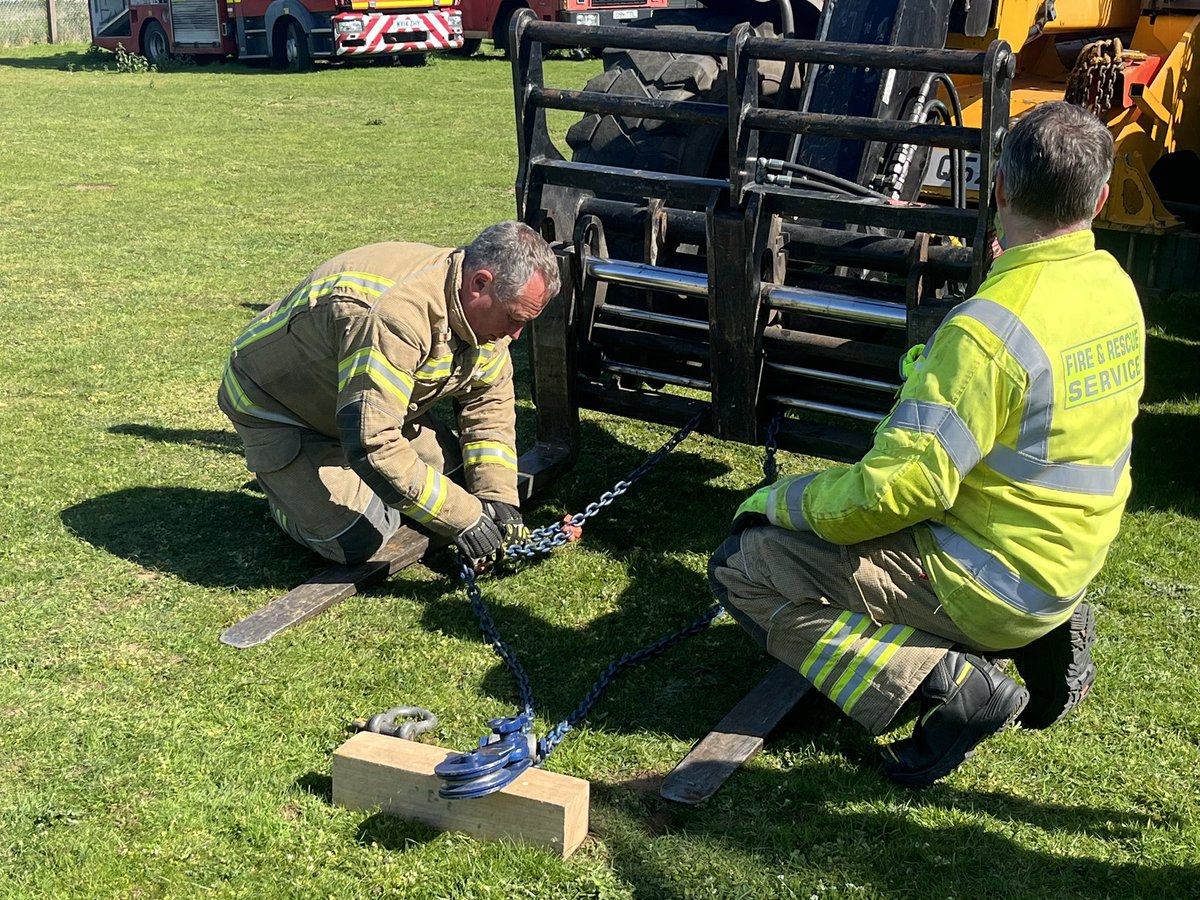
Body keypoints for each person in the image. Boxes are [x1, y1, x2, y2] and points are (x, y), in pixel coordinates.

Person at [709, 101, 1145, 787]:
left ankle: (953, 683)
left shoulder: (987, 332)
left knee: (744, 565)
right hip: (1067, 563)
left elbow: (897, 491)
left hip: (985, 581)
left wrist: (786, 500)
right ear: (1099, 196)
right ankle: (1047, 628)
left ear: (999, 188)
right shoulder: (1113, 290)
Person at [218, 220, 560, 570]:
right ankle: (286, 500)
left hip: (361, 407)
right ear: (480, 283)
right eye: (513, 319)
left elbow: (489, 407)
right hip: (281, 408)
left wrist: (497, 499)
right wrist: (466, 518)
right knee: (359, 537)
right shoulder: (395, 315)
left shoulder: (482, 315)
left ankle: (339, 481)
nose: (516, 336)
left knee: (460, 486)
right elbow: (373, 443)